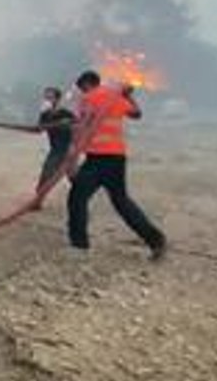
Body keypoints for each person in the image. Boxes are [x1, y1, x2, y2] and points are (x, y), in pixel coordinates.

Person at [65, 70, 167, 260]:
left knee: (77, 198)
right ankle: (156, 239)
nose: (82, 91)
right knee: (121, 201)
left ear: (87, 84)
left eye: (82, 87)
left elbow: (81, 127)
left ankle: (79, 246)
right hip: (117, 158)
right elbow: (137, 114)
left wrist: (71, 159)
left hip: (97, 158)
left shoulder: (88, 98)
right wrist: (127, 96)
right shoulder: (114, 97)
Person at [31, 86, 76, 209]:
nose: (47, 100)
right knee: (50, 175)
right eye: (45, 97)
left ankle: (37, 202)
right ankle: (37, 202)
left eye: (50, 98)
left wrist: (73, 145)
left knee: (67, 176)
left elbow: (78, 125)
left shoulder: (65, 113)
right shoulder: (45, 114)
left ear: (57, 99)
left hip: (67, 149)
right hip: (56, 149)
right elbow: (40, 129)